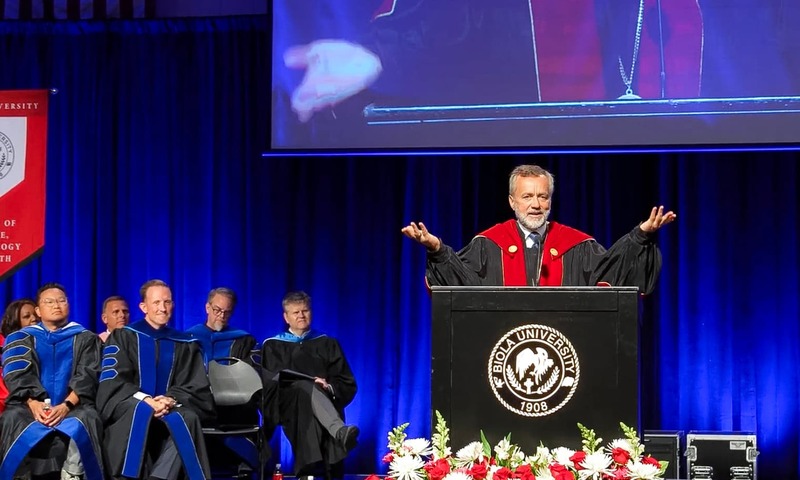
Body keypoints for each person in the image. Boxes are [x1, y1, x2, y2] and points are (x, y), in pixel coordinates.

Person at [401, 164, 675, 293]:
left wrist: (641, 236)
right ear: (512, 201)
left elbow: (611, 272)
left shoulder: (576, 245)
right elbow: (462, 283)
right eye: (527, 197)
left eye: (542, 197)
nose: (536, 205)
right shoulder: (488, 244)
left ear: (550, 200)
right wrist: (437, 250)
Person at [96, 279, 215, 480]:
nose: (162, 308)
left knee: (188, 418)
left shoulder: (185, 342)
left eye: (167, 302)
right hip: (132, 402)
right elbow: (113, 381)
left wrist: (169, 399)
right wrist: (146, 400)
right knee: (140, 411)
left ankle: (160, 477)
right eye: (156, 303)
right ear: (143, 307)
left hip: (171, 405)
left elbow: (195, 385)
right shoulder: (124, 337)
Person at [0, 283, 104, 480]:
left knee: (88, 417)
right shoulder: (20, 338)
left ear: (68, 305)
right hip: (29, 405)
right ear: (38, 310)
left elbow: (88, 376)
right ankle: (19, 475)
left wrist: (66, 405)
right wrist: (33, 403)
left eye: (61, 300)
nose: (56, 305)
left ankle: (73, 472)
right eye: (49, 302)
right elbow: (17, 375)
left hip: (73, 405)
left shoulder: (86, 338)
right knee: (12, 418)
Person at [261, 291, 359, 479]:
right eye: (295, 312)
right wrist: (309, 382)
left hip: (325, 403)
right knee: (306, 390)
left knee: (314, 403)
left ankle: (310, 473)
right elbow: (270, 384)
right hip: (290, 406)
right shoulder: (272, 346)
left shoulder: (327, 343)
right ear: (286, 317)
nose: (301, 315)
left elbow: (345, 381)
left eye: (305, 310)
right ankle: (339, 431)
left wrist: (327, 388)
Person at [185, 287, 256, 366]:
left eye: (227, 312)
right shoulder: (190, 338)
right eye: (217, 310)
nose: (222, 316)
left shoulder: (242, 340)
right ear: (207, 308)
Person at [0, 298, 39, 415]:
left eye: (35, 315)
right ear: (15, 322)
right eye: (27, 317)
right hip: (11, 402)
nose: (34, 319)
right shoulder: (4, 345)